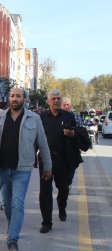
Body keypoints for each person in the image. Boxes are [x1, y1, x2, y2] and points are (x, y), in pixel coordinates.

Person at [0, 88, 52, 251]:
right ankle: (12, 225)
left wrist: (48, 166)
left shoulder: (34, 118)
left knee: (17, 202)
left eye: (18, 96)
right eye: (12, 96)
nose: (14, 99)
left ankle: (13, 240)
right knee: (5, 203)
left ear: (24, 100)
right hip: (2, 168)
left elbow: (42, 144)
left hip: (23, 169)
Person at [38, 90, 78, 233]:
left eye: (58, 98)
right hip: (46, 158)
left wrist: (73, 134)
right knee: (45, 191)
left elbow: (77, 134)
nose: (56, 101)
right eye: (53, 98)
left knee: (64, 188)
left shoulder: (69, 116)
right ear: (48, 101)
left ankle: (62, 207)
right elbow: (36, 137)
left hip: (63, 158)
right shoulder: (41, 117)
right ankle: (47, 222)